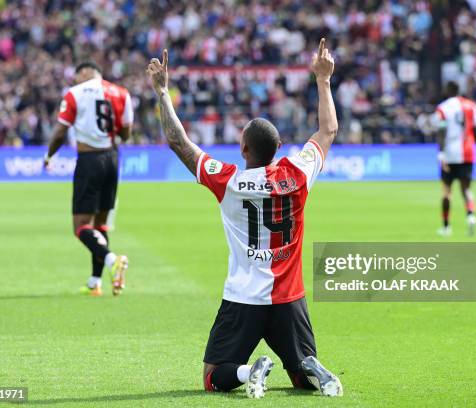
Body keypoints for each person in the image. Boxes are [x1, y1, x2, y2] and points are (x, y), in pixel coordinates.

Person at [146, 39, 343, 399]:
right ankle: (308, 364)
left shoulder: (230, 181)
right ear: (279, 148)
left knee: (213, 376)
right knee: (300, 377)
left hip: (243, 298)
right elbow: (328, 130)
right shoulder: (298, 174)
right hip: (289, 298)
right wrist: (324, 80)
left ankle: (250, 369)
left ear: (243, 149)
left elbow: (178, 141)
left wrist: (162, 93)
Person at [44, 61, 133, 296]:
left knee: (81, 227)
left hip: (89, 160)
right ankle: (95, 282)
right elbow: (126, 133)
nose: (74, 81)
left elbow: (61, 130)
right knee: (100, 224)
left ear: (84, 73)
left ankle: (113, 259)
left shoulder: (74, 93)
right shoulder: (122, 93)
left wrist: (48, 155)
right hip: (113, 160)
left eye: (76, 77)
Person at [433, 81, 476, 237]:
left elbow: (441, 130)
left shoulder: (443, 108)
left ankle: (446, 228)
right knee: (466, 189)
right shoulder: (471, 105)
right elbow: (475, 128)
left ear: (447, 91)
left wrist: (440, 153)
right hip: (467, 151)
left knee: (446, 191)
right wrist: (475, 145)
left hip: (449, 153)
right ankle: (471, 216)